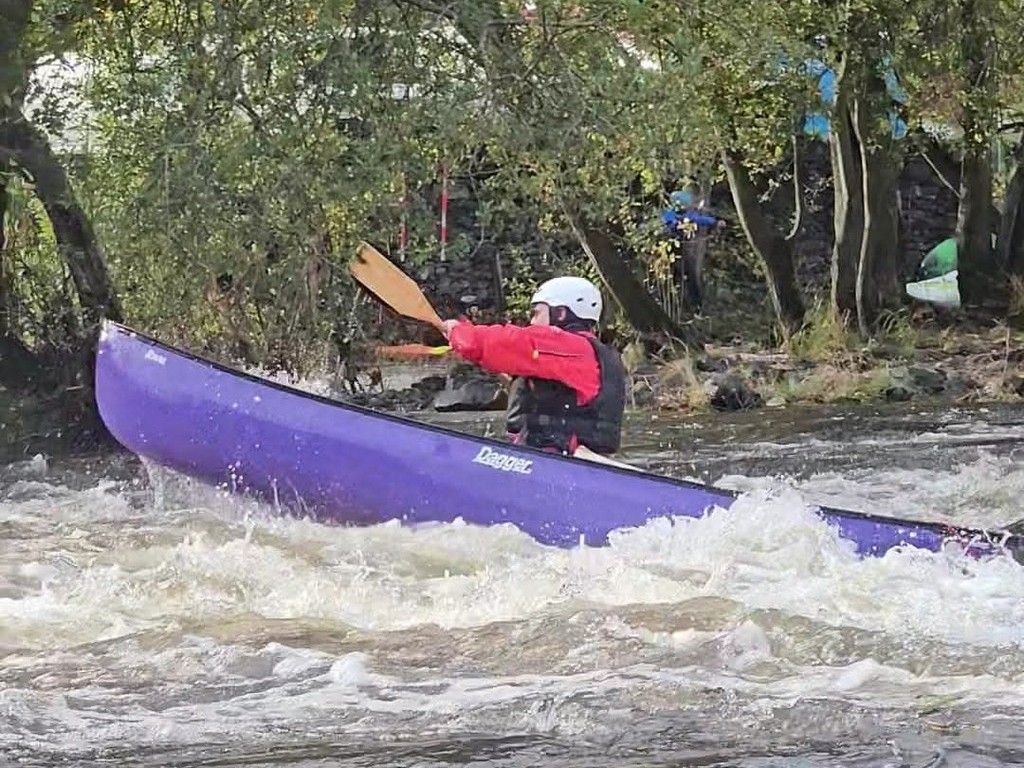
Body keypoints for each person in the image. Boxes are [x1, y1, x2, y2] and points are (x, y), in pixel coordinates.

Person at [441, 276, 626, 456]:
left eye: (537, 313)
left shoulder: (569, 347)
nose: (532, 322)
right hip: (553, 457)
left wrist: (458, 331)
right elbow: (504, 358)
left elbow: (497, 343)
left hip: (556, 461)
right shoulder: (583, 353)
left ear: (561, 313)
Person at [660, 190, 726, 314]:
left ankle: (696, 306)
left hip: (683, 251)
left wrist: (715, 222)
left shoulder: (687, 215)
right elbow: (672, 224)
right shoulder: (668, 214)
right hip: (668, 251)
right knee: (671, 278)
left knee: (690, 277)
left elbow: (699, 219)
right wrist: (678, 224)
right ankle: (671, 307)